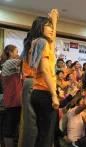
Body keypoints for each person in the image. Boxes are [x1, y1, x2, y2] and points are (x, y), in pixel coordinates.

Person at [29, 9, 60, 147]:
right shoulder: (42, 42)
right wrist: (54, 94)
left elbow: (52, 41)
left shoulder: (39, 42)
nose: (52, 29)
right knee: (46, 135)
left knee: (43, 133)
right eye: (48, 26)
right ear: (40, 27)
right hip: (45, 92)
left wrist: (54, 20)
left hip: (38, 92)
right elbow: (45, 70)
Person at [1, 45, 22, 147]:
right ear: (10, 53)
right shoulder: (9, 63)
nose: (18, 54)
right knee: (10, 129)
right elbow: (23, 59)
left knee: (13, 128)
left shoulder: (12, 65)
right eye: (16, 52)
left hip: (15, 101)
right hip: (12, 101)